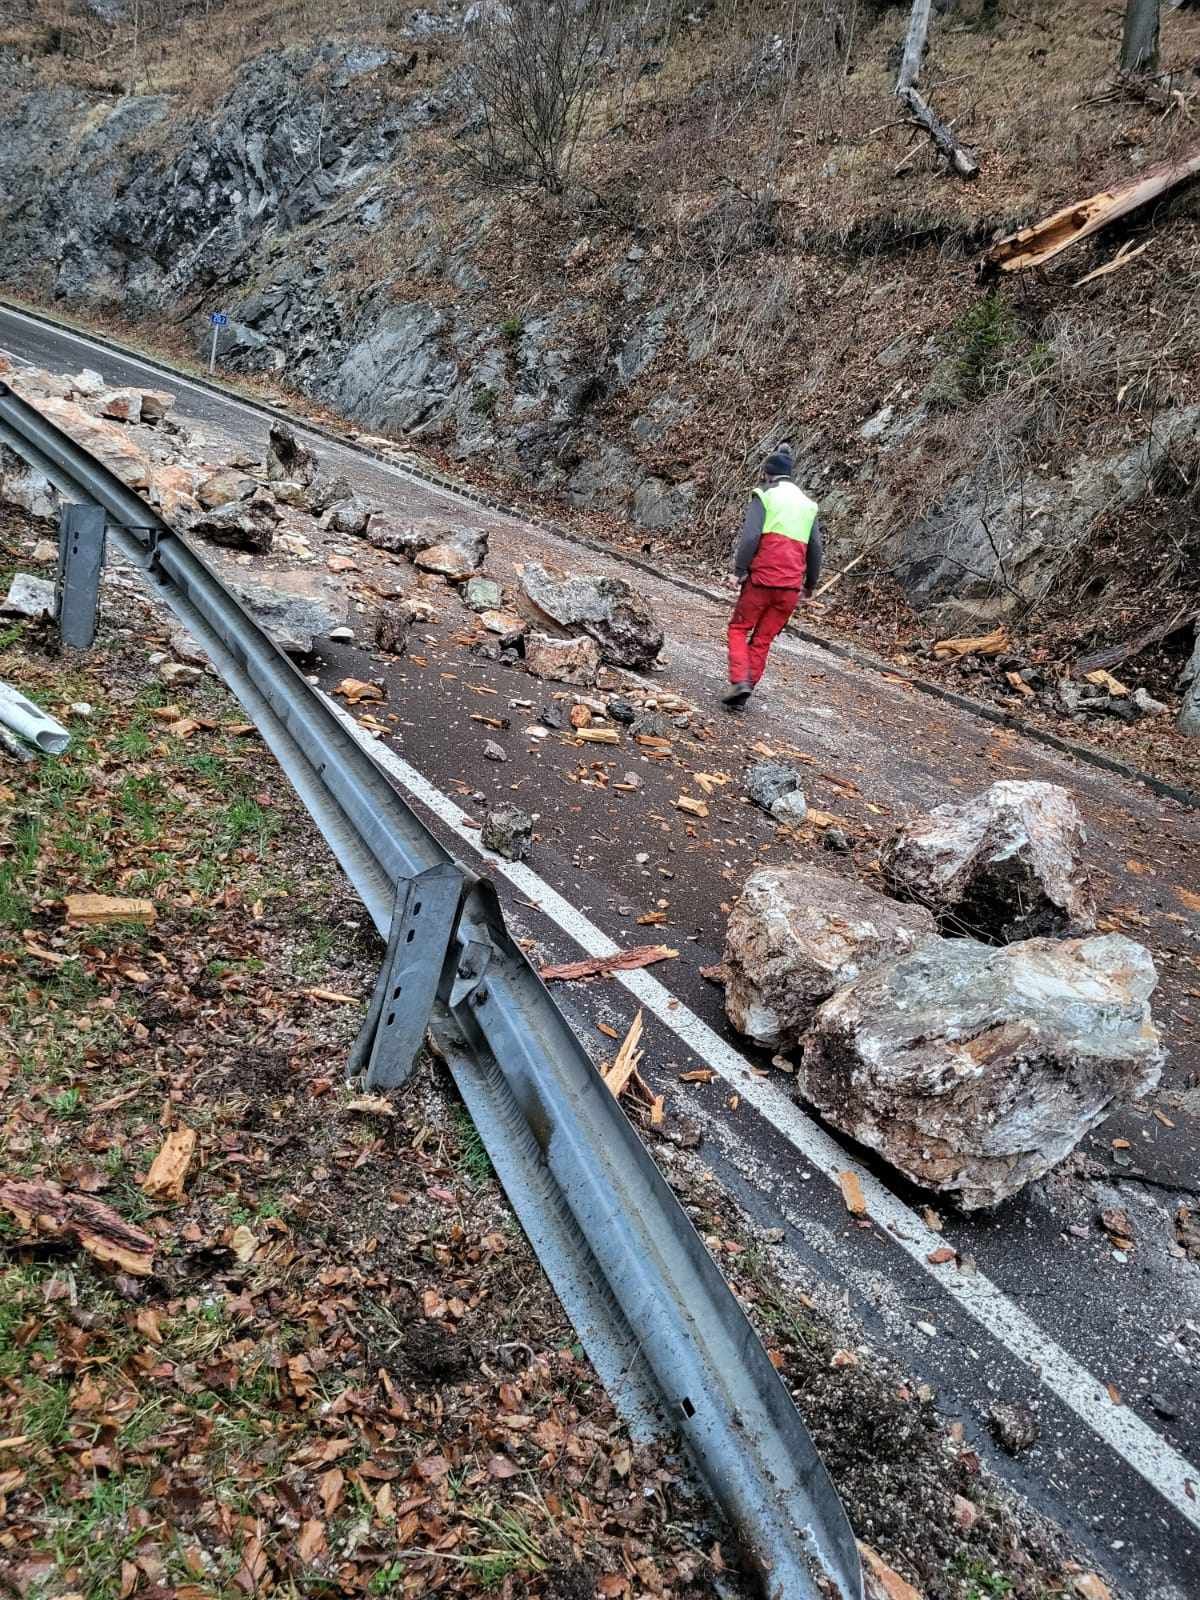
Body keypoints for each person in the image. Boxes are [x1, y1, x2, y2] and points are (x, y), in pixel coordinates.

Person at [722, 443, 823, 708]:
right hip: (790, 588)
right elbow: (816, 549)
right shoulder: (808, 505)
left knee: (738, 628)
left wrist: (739, 571)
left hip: (761, 582)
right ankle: (745, 691)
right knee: (763, 639)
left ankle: (740, 680)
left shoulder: (765, 495)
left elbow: (750, 537)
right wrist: (810, 584)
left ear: (767, 473)